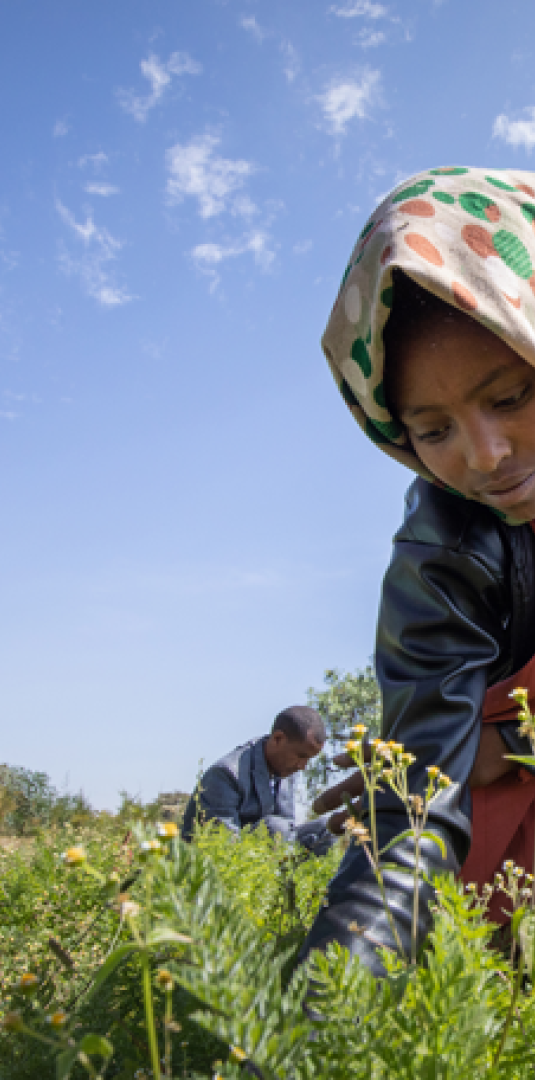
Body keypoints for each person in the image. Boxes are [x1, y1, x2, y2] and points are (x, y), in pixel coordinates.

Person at [303, 165, 535, 972]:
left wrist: (501, 746)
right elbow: (417, 808)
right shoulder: (444, 548)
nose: (486, 457)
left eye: (511, 397)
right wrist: (319, 1010)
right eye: (433, 430)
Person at [181, 706, 333, 854]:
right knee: (276, 827)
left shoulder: (287, 769)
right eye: (301, 756)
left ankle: (298, 878)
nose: (303, 766)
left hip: (270, 854)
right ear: (278, 738)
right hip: (229, 859)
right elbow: (224, 844)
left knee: (328, 827)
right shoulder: (226, 773)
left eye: (308, 759)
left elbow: (288, 825)